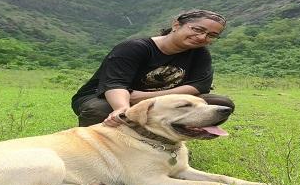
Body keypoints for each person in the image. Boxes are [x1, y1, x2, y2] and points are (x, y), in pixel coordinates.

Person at [71, 9, 234, 127]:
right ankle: (103, 142)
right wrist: (122, 108)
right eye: (197, 29)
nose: (202, 37)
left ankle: (170, 138)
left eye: (211, 35)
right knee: (99, 110)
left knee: (220, 104)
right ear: (176, 25)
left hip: (150, 99)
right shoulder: (134, 48)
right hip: (104, 97)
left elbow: (199, 86)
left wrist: (145, 97)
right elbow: (115, 85)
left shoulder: (199, 54)